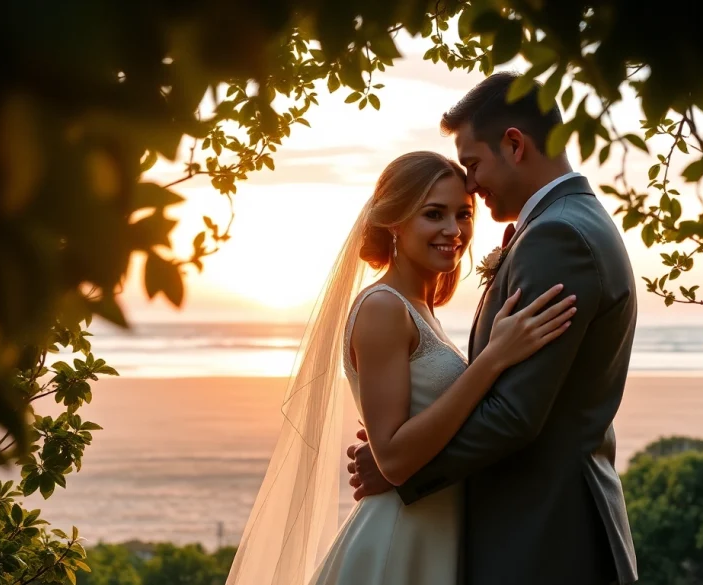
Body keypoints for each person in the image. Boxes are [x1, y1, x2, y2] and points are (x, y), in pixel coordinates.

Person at [224, 150, 576, 585]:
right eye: (434, 214)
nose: (453, 230)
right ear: (395, 221)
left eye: (463, 215)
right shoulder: (382, 309)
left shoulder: (422, 309)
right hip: (398, 536)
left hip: (433, 531)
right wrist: (493, 359)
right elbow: (391, 458)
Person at [348, 72, 639, 585]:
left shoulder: (557, 236)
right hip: (534, 528)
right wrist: (399, 458)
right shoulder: (570, 222)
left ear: (514, 144)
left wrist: (402, 472)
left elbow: (514, 415)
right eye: (435, 213)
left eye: (473, 164)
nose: (472, 183)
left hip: (544, 536)